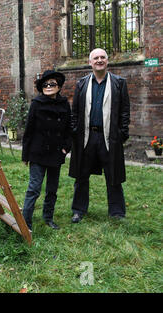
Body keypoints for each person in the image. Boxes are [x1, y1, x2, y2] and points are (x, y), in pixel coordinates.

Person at [69, 48, 130, 223]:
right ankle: (78, 210)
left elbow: (125, 110)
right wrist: (75, 133)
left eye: (103, 57)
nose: (99, 60)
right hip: (87, 137)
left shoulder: (119, 83)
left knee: (113, 175)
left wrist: (122, 134)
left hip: (109, 137)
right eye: (96, 58)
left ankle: (117, 212)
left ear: (107, 61)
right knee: (82, 175)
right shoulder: (82, 83)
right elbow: (75, 112)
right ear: (90, 62)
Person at [22, 70, 72, 230]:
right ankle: (26, 222)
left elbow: (68, 128)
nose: (49, 86)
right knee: (34, 188)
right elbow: (28, 129)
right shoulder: (37, 103)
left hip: (56, 153)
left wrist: (66, 147)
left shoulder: (64, 104)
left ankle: (48, 217)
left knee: (52, 189)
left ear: (58, 86)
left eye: (52, 84)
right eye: (45, 84)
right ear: (41, 87)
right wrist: (25, 155)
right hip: (38, 153)